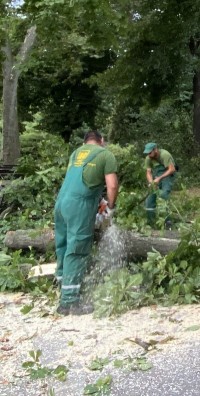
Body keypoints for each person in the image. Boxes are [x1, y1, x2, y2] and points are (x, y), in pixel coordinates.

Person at [54, 130, 119, 315]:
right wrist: (110, 208)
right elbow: (112, 185)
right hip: (78, 205)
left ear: (85, 142)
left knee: (63, 245)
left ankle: (61, 286)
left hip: (61, 202)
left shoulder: (76, 153)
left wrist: (100, 202)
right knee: (78, 247)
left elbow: (80, 181)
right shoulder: (105, 154)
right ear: (102, 141)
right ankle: (69, 303)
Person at [143, 142, 176, 226]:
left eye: (150, 153)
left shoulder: (165, 155)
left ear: (155, 150)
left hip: (167, 175)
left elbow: (172, 169)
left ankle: (166, 222)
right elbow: (148, 172)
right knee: (150, 198)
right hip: (157, 176)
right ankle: (151, 222)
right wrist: (151, 182)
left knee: (163, 195)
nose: (148, 155)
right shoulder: (148, 158)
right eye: (147, 153)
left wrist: (159, 178)